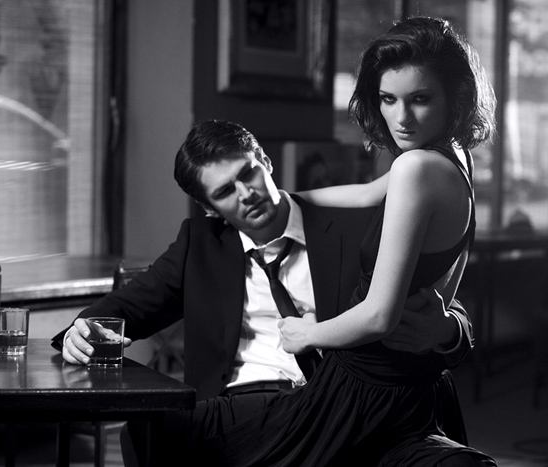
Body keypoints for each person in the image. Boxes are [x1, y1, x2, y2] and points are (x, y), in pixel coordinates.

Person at [51, 118, 475, 464]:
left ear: (266, 162)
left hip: (334, 401)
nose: (247, 194)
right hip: (240, 406)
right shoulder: (199, 246)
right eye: (225, 192)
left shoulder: (349, 226)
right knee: (149, 429)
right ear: (209, 208)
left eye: (248, 173)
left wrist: (446, 330)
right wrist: (79, 331)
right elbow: (122, 310)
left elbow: (441, 305)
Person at [191, 16, 497, 466]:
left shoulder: (416, 169)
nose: (401, 118)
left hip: (366, 387)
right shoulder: (451, 156)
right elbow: (368, 194)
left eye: (420, 99)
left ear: (456, 96)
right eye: (388, 99)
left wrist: (307, 334)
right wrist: (281, 201)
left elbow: (378, 316)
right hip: (408, 382)